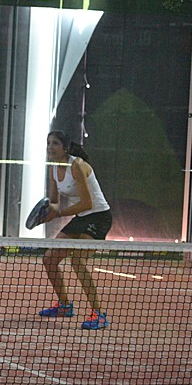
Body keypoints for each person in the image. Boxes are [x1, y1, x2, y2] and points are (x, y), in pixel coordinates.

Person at [38, 130, 113, 330]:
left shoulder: (77, 165)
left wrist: (59, 213)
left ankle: (99, 315)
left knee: (77, 261)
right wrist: (46, 212)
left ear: (65, 148)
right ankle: (64, 306)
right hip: (81, 217)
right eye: (48, 143)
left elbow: (87, 203)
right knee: (49, 259)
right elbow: (55, 202)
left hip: (98, 217)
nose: (50, 147)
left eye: (55, 143)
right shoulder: (54, 169)